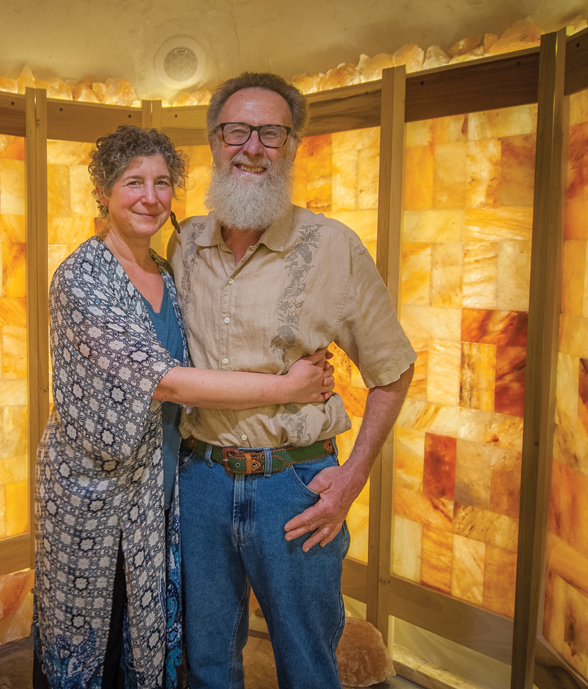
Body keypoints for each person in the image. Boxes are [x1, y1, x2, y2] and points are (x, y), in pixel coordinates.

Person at [32, 125, 336, 689]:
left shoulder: (168, 274)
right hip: (94, 497)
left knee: (146, 638)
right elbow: (167, 383)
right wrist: (287, 388)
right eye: (133, 183)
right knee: (92, 639)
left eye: (163, 183)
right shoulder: (81, 279)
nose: (151, 197)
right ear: (102, 191)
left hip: (159, 487)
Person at [167, 72, 417, 689]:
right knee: (205, 665)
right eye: (236, 131)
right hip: (199, 481)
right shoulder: (184, 243)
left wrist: (352, 478)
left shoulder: (333, 246)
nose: (252, 147)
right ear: (214, 142)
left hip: (296, 486)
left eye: (271, 133)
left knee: (307, 664)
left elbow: (393, 367)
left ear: (293, 146)